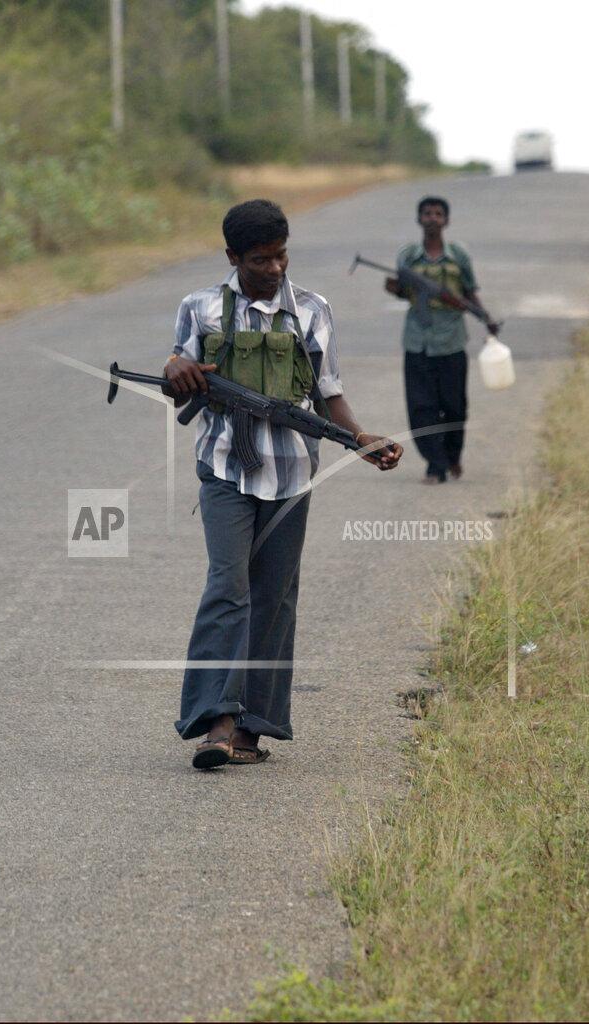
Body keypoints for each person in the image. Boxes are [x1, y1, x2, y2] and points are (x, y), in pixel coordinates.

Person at [164, 199, 403, 770]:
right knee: (229, 585)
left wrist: (360, 439)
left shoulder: (312, 310)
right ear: (232, 257)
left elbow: (328, 391)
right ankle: (215, 722)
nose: (273, 268)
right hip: (225, 466)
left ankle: (253, 727)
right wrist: (177, 369)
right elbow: (179, 379)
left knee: (274, 597)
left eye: (280, 256)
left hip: (292, 471)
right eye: (259, 259)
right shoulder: (201, 308)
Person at [386, 196, 496, 483]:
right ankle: (435, 465)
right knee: (421, 407)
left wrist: (486, 317)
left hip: (451, 342)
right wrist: (395, 288)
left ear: (446, 220)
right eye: (427, 213)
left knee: (454, 406)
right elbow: (401, 290)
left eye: (437, 214)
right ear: (419, 219)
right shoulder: (407, 256)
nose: (432, 218)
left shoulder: (458, 256)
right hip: (417, 342)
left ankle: (452, 456)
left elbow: (470, 291)